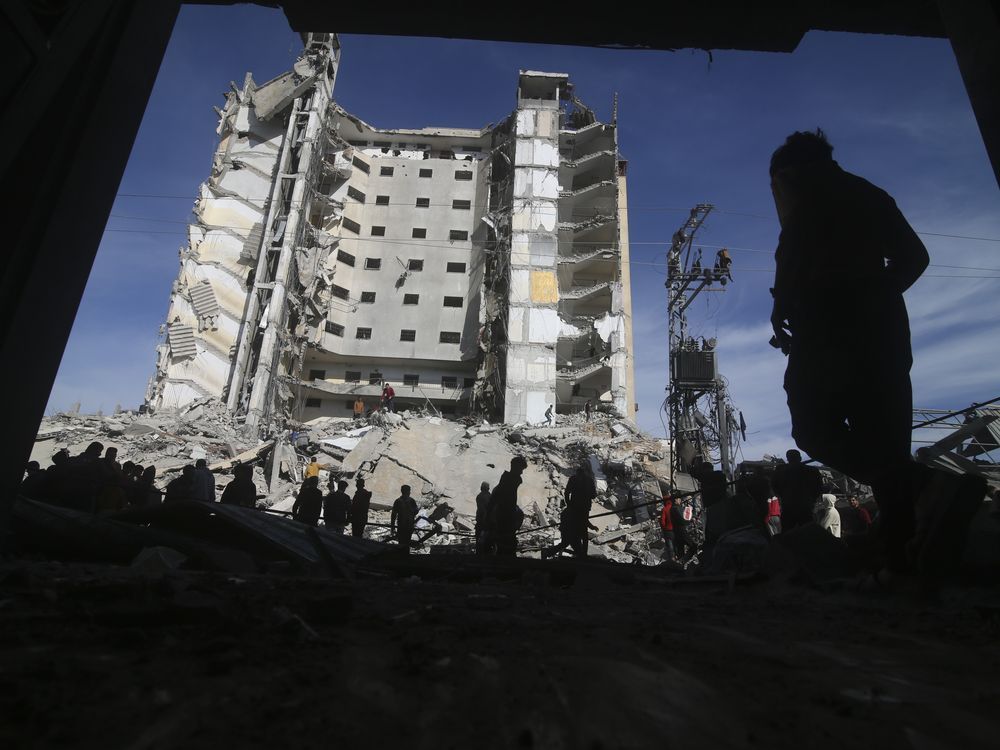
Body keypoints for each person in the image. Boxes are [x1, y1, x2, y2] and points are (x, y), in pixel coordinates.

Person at [542, 466, 597, 559]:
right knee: (579, 537)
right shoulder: (589, 481)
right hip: (580, 511)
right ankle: (582, 556)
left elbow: (567, 493)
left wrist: (570, 505)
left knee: (572, 540)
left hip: (575, 511)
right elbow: (593, 496)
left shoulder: (574, 479)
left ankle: (581, 555)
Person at [484, 456, 528, 556]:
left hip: (506, 517)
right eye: (521, 469)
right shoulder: (509, 481)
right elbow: (497, 501)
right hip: (505, 518)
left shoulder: (506, 481)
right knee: (506, 544)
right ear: (515, 467)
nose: (521, 473)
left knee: (506, 543)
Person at [771, 450, 822, 532]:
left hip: (788, 507)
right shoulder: (812, 471)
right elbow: (819, 489)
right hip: (806, 507)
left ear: (788, 459)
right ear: (800, 458)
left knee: (788, 533)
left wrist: (784, 497)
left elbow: (774, 487)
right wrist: (812, 500)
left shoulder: (780, 471)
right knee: (808, 532)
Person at [390, 484, 418, 553]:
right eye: (408, 491)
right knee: (404, 543)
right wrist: (392, 526)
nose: (409, 492)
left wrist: (392, 526)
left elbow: (393, 515)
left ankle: (403, 555)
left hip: (405, 525)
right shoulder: (401, 501)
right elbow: (393, 515)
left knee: (404, 543)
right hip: (404, 525)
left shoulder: (400, 501)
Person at [475, 481, 492, 554]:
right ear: (488, 488)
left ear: (481, 488)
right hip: (489, 524)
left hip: (482, 523)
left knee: (480, 545)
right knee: (488, 545)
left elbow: (482, 510)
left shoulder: (480, 496)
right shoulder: (491, 497)